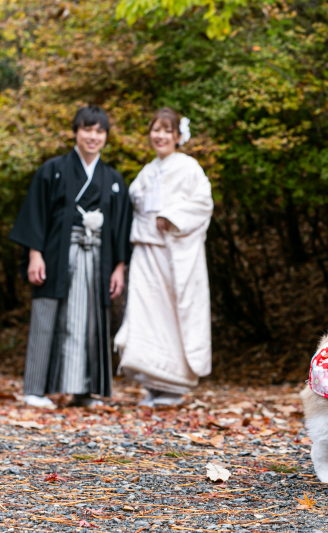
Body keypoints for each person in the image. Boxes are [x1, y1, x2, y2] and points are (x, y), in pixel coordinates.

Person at [9, 105, 131, 408]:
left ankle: (84, 391)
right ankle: (35, 390)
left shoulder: (113, 179)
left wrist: (119, 267)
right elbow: (36, 214)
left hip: (98, 259)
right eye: (87, 129)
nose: (93, 136)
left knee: (92, 322)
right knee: (47, 316)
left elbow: (120, 227)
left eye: (99, 131)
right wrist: (35, 254)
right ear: (75, 132)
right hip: (56, 254)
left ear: (106, 136)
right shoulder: (52, 170)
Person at [114, 108, 213, 407]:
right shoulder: (148, 170)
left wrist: (171, 216)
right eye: (156, 129)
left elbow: (203, 203)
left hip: (173, 255)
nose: (160, 135)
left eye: (167, 130)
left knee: (171, 315)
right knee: (145, 315)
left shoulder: (188, 167)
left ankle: (172, 383)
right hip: (145, 251)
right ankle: (152, 382)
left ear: (178, 136)